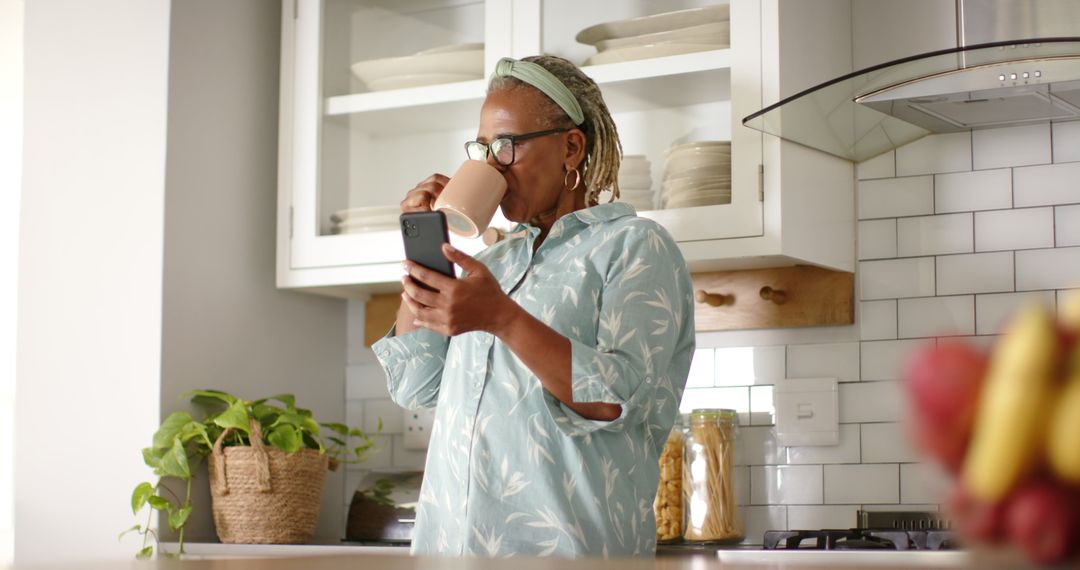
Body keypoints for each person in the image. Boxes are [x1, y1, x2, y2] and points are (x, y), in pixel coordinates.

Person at [372, 55, 695, 558]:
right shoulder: (493, 264)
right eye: (482, 149)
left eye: (505, 146)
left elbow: (615, 401)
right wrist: (424, 246)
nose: (489, 165)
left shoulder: (634, 246)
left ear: (570, 146)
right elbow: (415, 384)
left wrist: (503, 318)